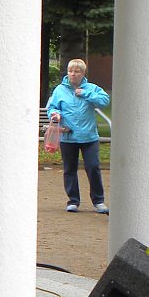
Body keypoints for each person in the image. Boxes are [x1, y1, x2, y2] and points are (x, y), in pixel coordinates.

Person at [46, 58, 110, 214]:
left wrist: (86, 94)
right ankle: (73, 201)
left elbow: (104, 101)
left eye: (76, 71)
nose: (73, 74)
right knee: (69, 169)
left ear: (83, 73)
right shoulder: (60, 90)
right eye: (70, 71)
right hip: (68, 136)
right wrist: (55, 114)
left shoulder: (91, 88)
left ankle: (98, 201)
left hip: (89, 136)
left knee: (93, 167)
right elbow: (53, 107)